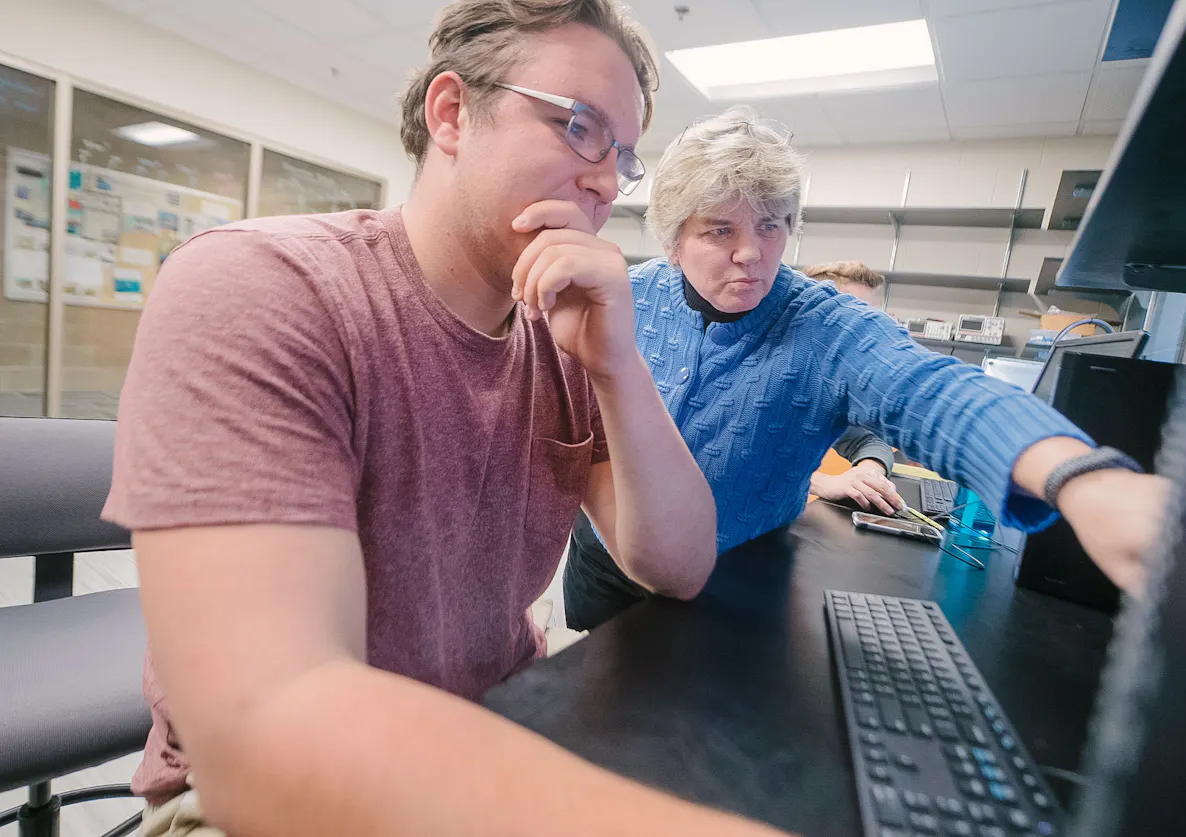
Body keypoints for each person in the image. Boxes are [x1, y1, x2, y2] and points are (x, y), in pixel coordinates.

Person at [103, 3, 782, 836]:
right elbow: (269, 733)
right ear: (453, 113)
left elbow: (678, 565)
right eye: (579, 126)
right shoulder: (262, 287)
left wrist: (618, 365)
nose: (607, 181)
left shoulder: (565, 340)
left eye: (624, 155)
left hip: (495, 719)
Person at [563, 106, 1167, 632]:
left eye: (771, 226)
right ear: (673, 240)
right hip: (606, 558)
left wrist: (1083, 478)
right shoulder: (628, 298)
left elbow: (931, 390)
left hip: (735, 577)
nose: (751, 253)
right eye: (720, 230)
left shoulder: (827, 328)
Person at [801, 261, 904, 514]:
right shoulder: (762, 371)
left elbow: (867, 442)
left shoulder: (827, 379)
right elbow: (734, 462)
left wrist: (868, 473)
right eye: (854, 316)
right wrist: (824, 483)